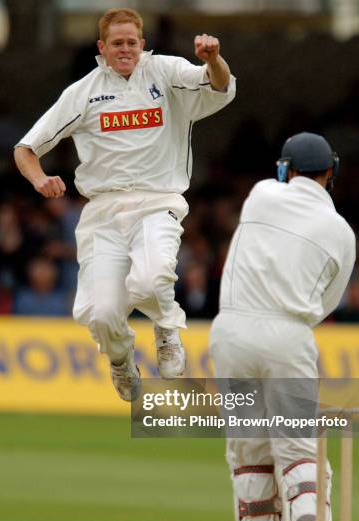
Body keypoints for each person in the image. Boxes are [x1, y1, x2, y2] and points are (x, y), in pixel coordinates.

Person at [13, 7, 236, 401]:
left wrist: (213, 58)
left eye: (132, 42)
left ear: (142, 44)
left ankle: (167, 329)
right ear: (102, 47)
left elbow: (217, 85)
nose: (125, 49)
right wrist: (39, 179)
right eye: (117, 43)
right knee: (101, 315)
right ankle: (120, 358)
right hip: (102, 210)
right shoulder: (83, 91)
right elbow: (26, 149)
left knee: (152, 279)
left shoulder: (165, 72)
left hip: (157, 200)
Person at [209, 132, 356, 521]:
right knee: (297, 450)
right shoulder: (342, 232)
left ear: (283, 169)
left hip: (230, 334)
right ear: (330, 173)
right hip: (288, 335)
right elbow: (325, 303)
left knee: (250, 455)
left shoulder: (260, 195)